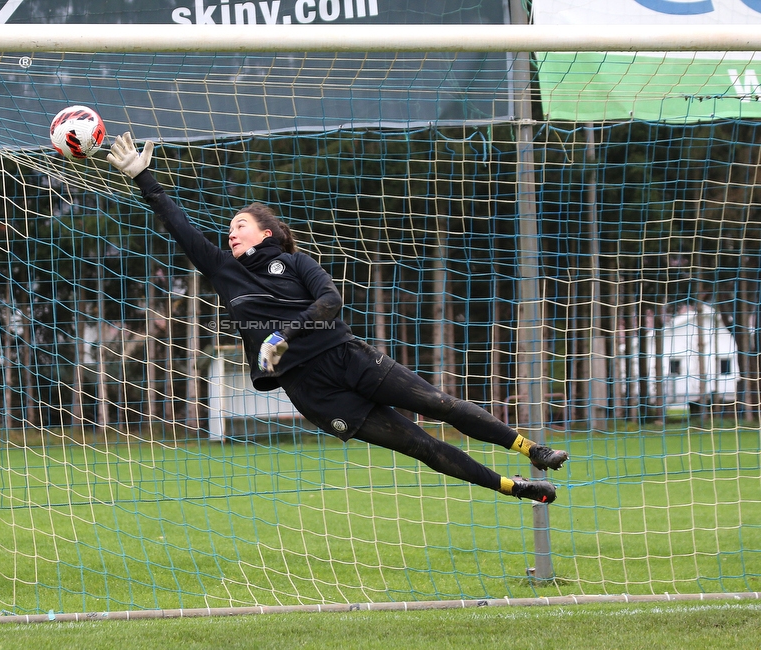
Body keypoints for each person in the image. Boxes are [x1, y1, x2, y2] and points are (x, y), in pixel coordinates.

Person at [107, 132, 568, 503]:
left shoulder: (296, 263)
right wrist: (144, 178)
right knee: (422, 446)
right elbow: (180, 227)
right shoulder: (224, 272)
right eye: (228, 230)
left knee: (441, 406)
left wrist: (283, 334)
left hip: (348, 357)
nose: (230, 234)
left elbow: (330, 302)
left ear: (265, 233)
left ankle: (532, 450)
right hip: (316, 393)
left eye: (239, 226)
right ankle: (515, 487)